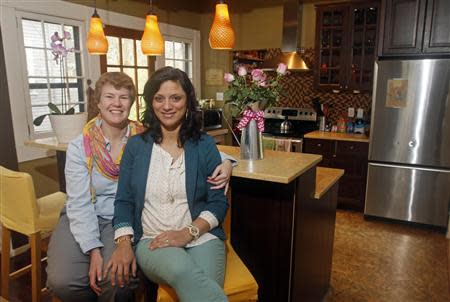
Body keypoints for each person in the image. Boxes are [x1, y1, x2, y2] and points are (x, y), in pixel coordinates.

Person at [46, 71, 233, 302]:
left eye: (176, 98)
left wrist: (227, 162)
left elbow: (199, 159)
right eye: (109, 97)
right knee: (65, 281)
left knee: (194, 284)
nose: (167, 106)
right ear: (98, 102)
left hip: (192, 231)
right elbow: (102, 202)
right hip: (117, 224)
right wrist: (98, 248)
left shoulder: (143, 133)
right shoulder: (122, 145)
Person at [106, 67, 229, 302]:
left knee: (205, 287)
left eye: (176, 98)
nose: (167, 106)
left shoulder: (204, 145)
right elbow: (124, 200)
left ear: (188, 101)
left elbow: (218, 202)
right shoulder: (135, 146)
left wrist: (188, 232)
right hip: (153, 239)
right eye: (159, 98)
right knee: (183, 270)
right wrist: (123, 242)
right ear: (151, 103)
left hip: (202, 235)